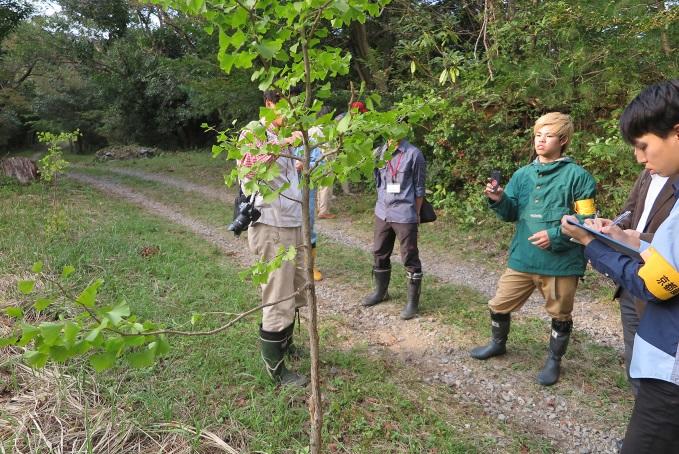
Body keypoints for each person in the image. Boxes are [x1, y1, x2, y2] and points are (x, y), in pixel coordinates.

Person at [561, 80, 679, 453]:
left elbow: (660, 284)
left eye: (644, 146)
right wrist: (630, 239)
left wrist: (591, 244)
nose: (640, 159)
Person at [469, 112, 597, 386]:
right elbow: (510, 213)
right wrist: (499, 199)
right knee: (499, 304)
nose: (540, 140)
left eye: (548, 135)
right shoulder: (522, 174)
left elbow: (587, 220)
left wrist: (555, 236)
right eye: (538, 135)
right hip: (523, 258)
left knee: (560, 313)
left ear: (562, 140)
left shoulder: (579, 177)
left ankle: (554, 361)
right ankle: (497, 343)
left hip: (560, 262)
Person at [238, 90, 307, 387]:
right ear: (269, 104)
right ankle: (276, 370)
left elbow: (286, 177)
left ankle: (284, 344)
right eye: (285, 106)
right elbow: (251, 169)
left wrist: (299, 164)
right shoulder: (253, 133)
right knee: (277, 293)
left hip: (293, 222)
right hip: (271, 225)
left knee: (297, 287)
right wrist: (285, 144)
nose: (292, 113)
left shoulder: (287, 133)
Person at [612, 164, 678, 395]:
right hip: (630, 276)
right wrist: (611, 229)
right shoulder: (647, 173)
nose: (640, 157)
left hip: (662, 282)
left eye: (645, 146)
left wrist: (639, 239)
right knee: (633, 347)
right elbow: (628, 212)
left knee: (659, 357)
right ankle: (640, 410)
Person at [362, 137, 426, 320]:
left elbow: (420, 188)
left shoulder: (414, 154)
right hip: (383, 211)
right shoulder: (380, 152)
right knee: (379, 251)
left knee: (410, 256)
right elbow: (377, 179)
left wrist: (416, 214)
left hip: (405, 212)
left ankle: (412, 303)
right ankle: (381, 292)